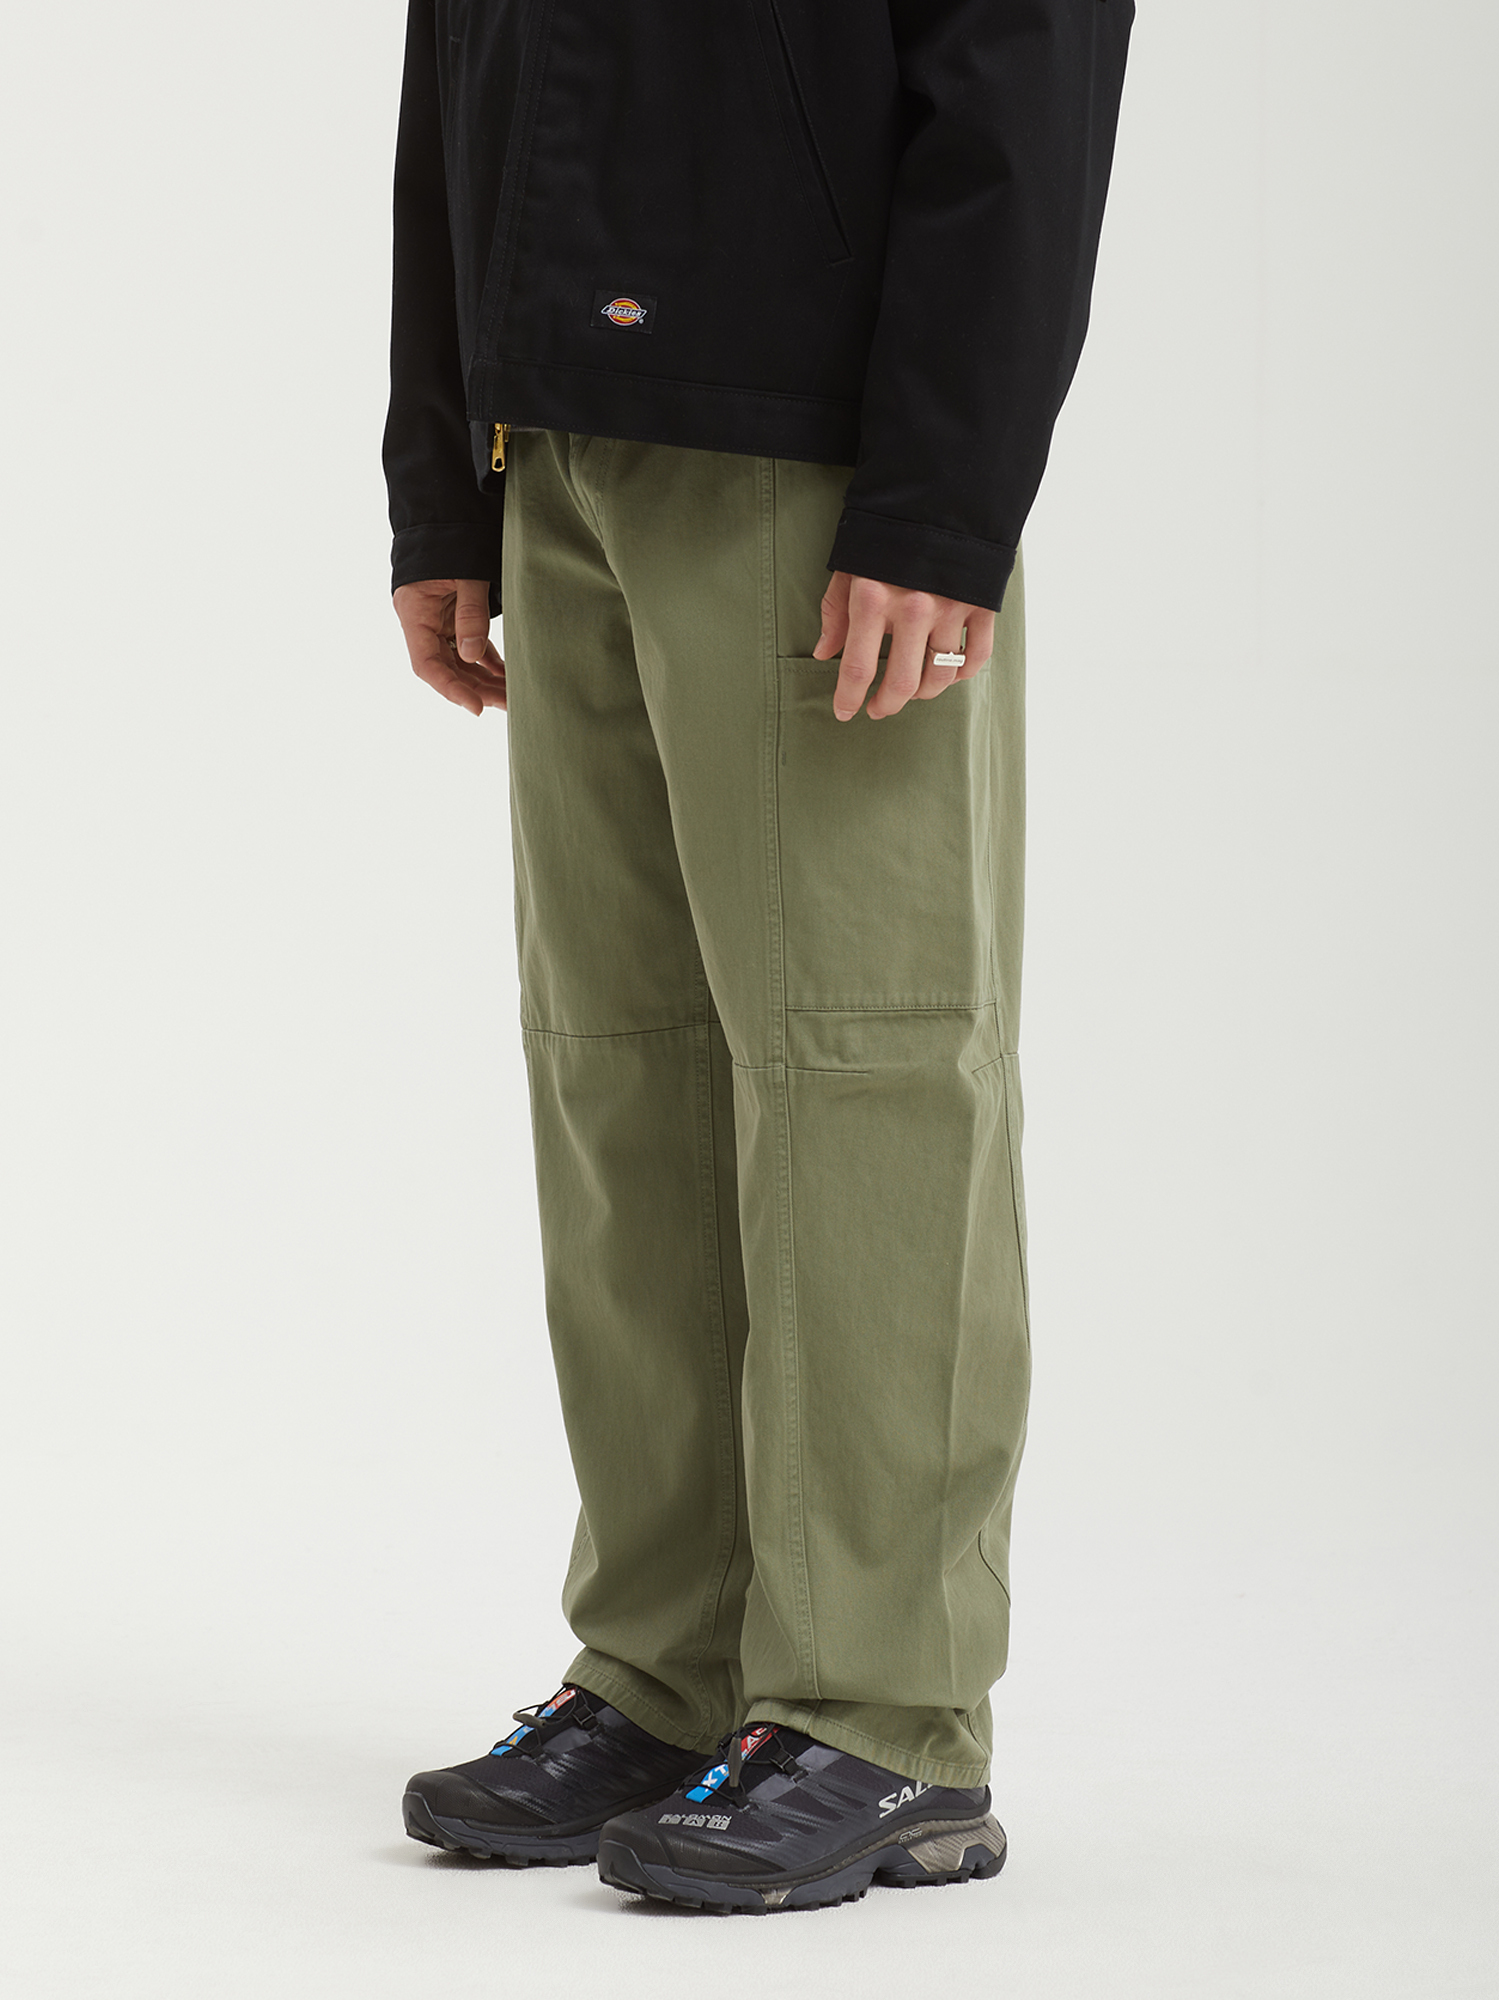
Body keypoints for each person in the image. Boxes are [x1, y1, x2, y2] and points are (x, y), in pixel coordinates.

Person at [385, 0, 1132, 1916]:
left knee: (864, 1072)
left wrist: (940, 501)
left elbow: (1025, 77)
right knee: (619, 1063)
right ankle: (669, 1671)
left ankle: (885, 1715)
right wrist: (443, 467)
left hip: (816, 453)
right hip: (556, 435)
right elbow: (455, 53)